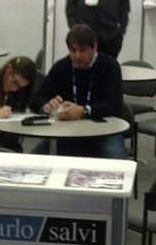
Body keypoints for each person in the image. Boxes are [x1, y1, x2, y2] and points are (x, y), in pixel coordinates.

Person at [33, 23, 125, 158]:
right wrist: (46, 106)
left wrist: (83, 110)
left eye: (83, 50)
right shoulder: (61, 67)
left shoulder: (110, 66)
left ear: (94, 48)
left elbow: (115, 105)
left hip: (104, 131)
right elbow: (36, 98)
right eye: (73, 50)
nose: (77, 56)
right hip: (66, 131)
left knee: (116, 159)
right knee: (35, 156)